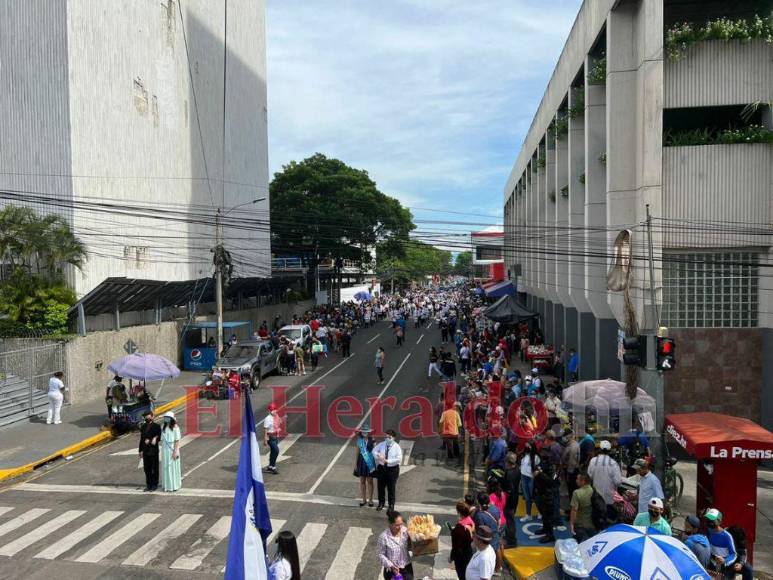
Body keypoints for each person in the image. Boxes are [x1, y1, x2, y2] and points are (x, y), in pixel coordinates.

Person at [706, 508, 753, 580]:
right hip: (713, 563)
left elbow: (733, 554)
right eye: (708, 520)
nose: (709, 522)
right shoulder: (709, 531)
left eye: (712, 520)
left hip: (726, 565)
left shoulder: (727, 536)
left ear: (719, 521)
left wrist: (725, 561)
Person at [587, 440, 622, 520]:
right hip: (609, 499)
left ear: (599, 449)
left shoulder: (593, 461)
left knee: (597, 520)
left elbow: (589, 476)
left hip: (596, 497)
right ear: (610, 451)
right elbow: (618, 482)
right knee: (608, 520)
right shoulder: (613, 463)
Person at [376, 510, 413, 580]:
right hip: (392, 570)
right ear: (390, 524)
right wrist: (391, 566)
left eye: (401, 524)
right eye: (397, 525)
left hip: (407, 566)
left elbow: (410, 546)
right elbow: (380, 554)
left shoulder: (405, 531)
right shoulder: (384, 537)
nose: (400, 527)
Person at [472, 493, 502, 573]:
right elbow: (499, 521)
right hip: (495, 534)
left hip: (484, 537)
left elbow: (479, 528)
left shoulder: (479, 514)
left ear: (478, 502)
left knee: (484, 554)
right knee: (497, 549)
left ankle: (484, 570)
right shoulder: (495, 508)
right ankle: (498, 568)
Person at [374, 429, 402, 512]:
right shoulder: (382, 444)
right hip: (382, 468)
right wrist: (378, 455)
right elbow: (374, 451)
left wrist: (388, 461)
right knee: (380, 487)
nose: (387, 439)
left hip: (392, 469)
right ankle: (381, 503)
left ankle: (391, 505)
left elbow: (399, 459)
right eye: (386, 437)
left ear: (393, 438)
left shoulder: (397, 447)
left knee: (391, 487)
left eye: (389, 437)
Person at [450, 501, 475, 580]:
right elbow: (471, 536)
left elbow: (455, 546)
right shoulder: (470, 520)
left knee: (462, 575)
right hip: (469, 552)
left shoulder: (459, 528)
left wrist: (452, 557)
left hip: (461, 556)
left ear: (459, 512)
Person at [138, 410, 161, 492]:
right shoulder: (143, 427)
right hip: (145, 451)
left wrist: (150, 440)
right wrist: (140, 450)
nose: (146, 417)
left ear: (152, 416)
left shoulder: (156, 426)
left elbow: (159, 438)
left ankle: (155, 484)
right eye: (145, 416)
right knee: (147, 469)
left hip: (153, 451)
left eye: (147, 416)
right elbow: (141, 439)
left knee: (154, 469)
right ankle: (149, 484)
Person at [569, 472, 595, 542]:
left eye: (577, 479)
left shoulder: (577, 493)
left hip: (580, 524)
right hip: (592, 524)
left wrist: (571, 524)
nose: (576, 480)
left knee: (576, 545)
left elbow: (574, 510)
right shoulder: (593, 491)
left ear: (583, 481)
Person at [354, 425, 376, 507]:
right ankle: (363, 499)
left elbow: (376, 450)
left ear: (369, 432)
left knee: (370, 481)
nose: (365, 433)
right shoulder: (359, 441)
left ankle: (370, 500)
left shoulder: (372, 439)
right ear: (361, 432)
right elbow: (357, 452)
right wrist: (356, 464)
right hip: (361, 461)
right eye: (363, 431)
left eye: (366, 431)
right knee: (362, 481)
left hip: (370, 461)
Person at [502, 452, 520, 547]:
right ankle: (509, 536)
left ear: (508, 462)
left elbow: (509, 490)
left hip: (509, 501)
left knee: (510, 520)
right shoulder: (517, 469)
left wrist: (502, 495)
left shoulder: (509, 474)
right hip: (515, 498)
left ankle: (512, 541)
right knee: (509, 519)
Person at [160, 411, 182, 492]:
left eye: (167, 417)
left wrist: (175, 451)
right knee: (166, 467)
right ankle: (167, 486)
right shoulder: (163, 427)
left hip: (172, 449)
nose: (165, 419)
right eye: (165, 417)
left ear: (171, 419)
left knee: (172, 467)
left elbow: (177, 440)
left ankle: (174, 485)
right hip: (165, 449)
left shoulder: (176, 427)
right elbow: (162, 439)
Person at [520, 441, 540, 521]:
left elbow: (538, 468)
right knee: (527, 498)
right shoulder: (524, 456)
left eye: (528, 446)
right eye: (526, 446)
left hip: (531, 478)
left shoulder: (536, 457)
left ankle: (540, 512)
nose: (526, 448)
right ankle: (528, 515)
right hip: (523, 477)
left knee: (534, 497)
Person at [561, 430, 581, 498]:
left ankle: (573, 506)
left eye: (564, 436)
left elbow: (572, 463)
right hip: (571, 470)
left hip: (571, 471)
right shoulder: (571, 444)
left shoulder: (573, 447)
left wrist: (568, 475)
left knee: (572, 489)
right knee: (572, 489)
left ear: (568, 437)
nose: (563, 438)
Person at [263, 403, 282, 475]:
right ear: (269, 411)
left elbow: (278, 423)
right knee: (276, 451)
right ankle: (273, 467)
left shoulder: (276, 416)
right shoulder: (267, 419)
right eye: (272, 410)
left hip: (275, 436)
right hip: (270, 437)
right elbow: (265, 430)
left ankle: (270, 466)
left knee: (273, 452)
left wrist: (282, 419)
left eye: (274, 409)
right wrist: (265, 440)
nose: (274, 411)